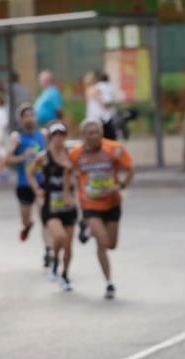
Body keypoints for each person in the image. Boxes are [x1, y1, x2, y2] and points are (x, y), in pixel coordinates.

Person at [69, 119, 134, 299]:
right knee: (103, 242)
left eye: (97, 132)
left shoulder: (114, 149)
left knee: (111, 245)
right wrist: (69, 193)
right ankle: (108, 282)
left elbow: (129, 168)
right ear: (83, 136)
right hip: (90, 205)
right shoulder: (75, 154)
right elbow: (67, 173)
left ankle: (89, 230)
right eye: (89, 133)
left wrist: (121, 185)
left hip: (112, 203)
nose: (94, 136)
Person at [28, 123, 77, 291]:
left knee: (69, 246)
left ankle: (64, 276)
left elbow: (79, 176)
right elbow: (30, 173)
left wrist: (75, 191)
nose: (59, 138)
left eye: (62, 134)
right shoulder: (44, 157)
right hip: (51, 206)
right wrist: (37, 190)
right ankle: (55, 260)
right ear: (50, 137)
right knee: (59, 237)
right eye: (55, 135)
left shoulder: (72, 156)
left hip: (68, 205)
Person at [4, 104, 49, 267]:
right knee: (26, 219)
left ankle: (48, 251)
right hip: (24, 184)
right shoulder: (18, 139)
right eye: (26, 116)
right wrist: (23, 156)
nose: (30, 118)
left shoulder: (43, 136)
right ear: (21, 120)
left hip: (41, 182)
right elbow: (7, 160)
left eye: (32, 115)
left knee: (45, 218)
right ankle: (27, 225)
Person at [94, 71, 118, 140]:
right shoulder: (110, 87)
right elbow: (110, 100)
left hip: (99, 114)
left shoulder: (97, 86)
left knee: (101, 134)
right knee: (110, 135)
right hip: (109, 114)